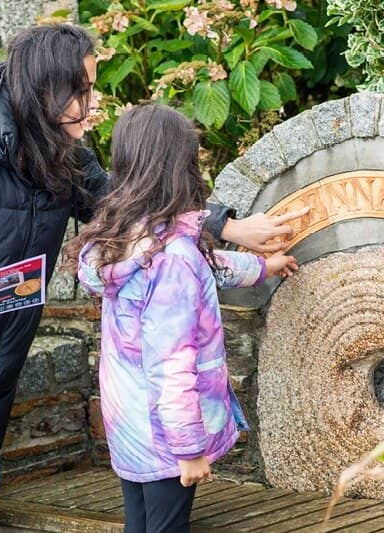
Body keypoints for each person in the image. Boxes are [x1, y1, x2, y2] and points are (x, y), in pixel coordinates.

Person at [0, 24, 304, 533]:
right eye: (82, 90)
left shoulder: (63, 154)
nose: (92, 103)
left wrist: (225, 226)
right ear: (44, 91)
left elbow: (133, 209)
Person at [68, 104, 299, 533]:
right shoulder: (172, 258)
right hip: (167, 438)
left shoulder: (128, 238)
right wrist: (190, 449)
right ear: (178, 167)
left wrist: (262, 267)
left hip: (132, 428)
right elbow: (170, 364)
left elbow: (204, 264)